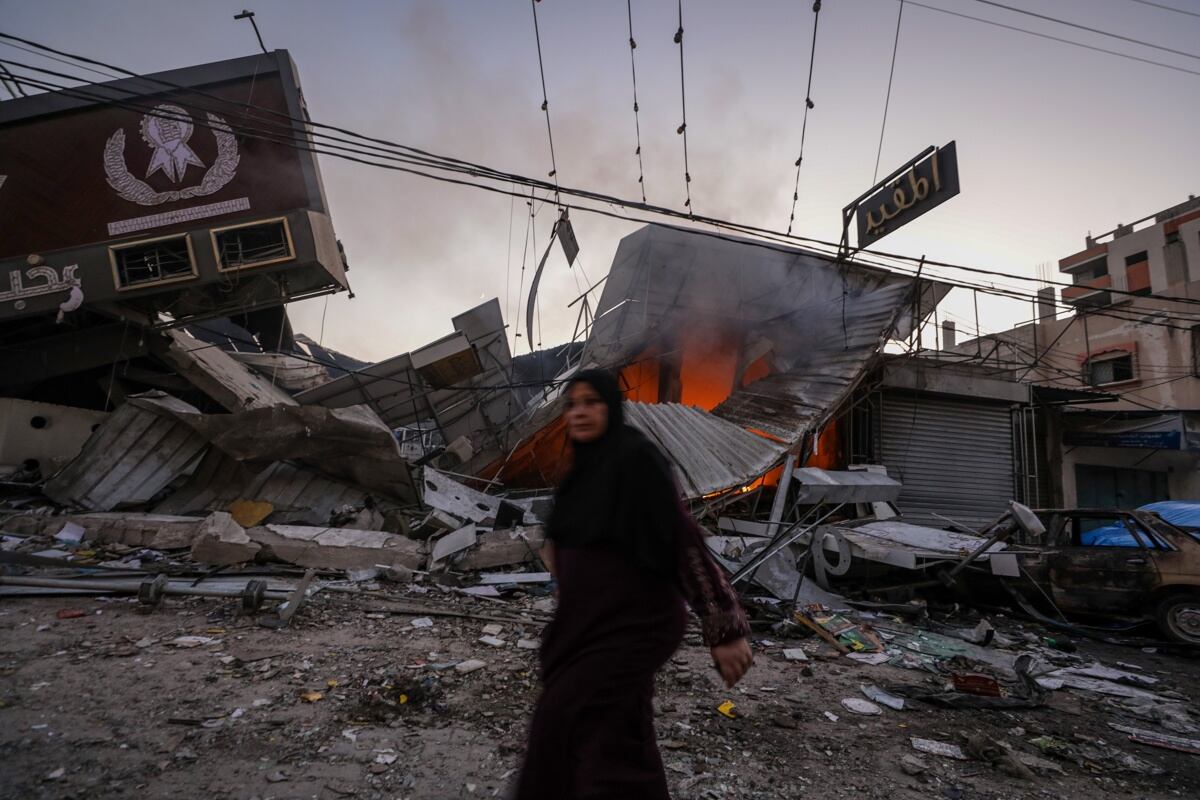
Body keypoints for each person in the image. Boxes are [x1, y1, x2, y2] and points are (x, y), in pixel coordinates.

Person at [515, 369, 753, 800]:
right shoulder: (581, 474)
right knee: (619, 732)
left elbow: (681, 539)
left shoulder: (636, 458)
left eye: (592, 402)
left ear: (612, 406)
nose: (581, 412)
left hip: (635, 624)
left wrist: (724, 627)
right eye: (573, 404)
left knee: (564, 717)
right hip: (591, 627)